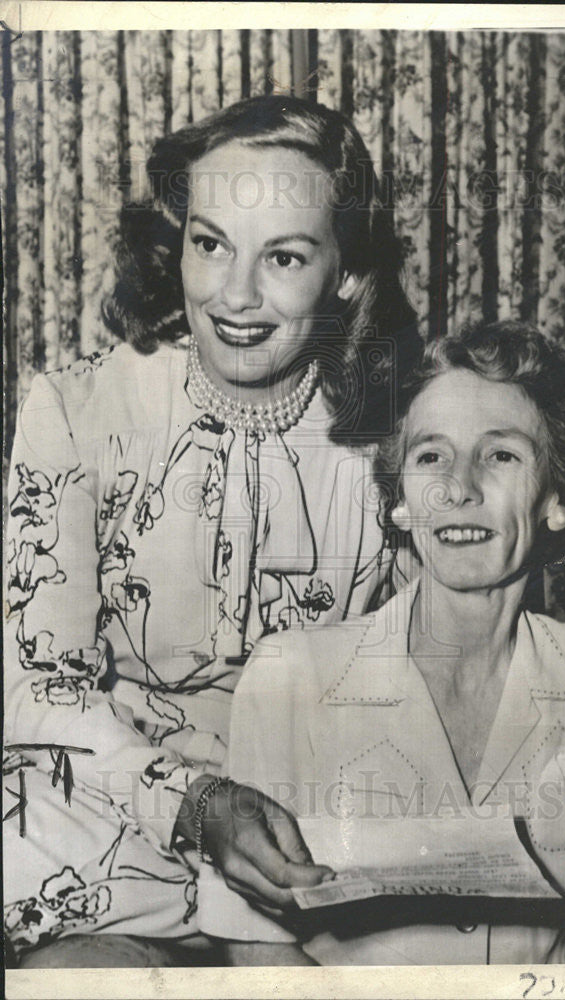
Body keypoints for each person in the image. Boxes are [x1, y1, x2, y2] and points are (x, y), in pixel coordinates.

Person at [3, 94, 419, 966]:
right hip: (101, 819)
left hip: (310, 836)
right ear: (178, 239)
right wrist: (197, 804)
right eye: (211, 243)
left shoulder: (404, 435)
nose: (235, 295)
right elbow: (37, 687)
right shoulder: (74, 410)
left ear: (344, 272)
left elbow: (422, 687)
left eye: (285, 257)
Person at [227, 320, 565, 965]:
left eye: (501, 455)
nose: (459, 487)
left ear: (558, 498)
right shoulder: (290, 674)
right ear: (402, 500)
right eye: (431, 456)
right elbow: (252, 952)